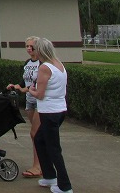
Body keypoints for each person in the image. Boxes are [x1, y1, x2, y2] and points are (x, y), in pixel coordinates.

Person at [28, 38, 73, 193]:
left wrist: (30, 90)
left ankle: (65, 186)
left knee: (53, 148)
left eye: (35, 49)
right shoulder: (59, 64)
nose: (33, 52)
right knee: (39, 140)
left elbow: (39, 95)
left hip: (49, 112)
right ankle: (49, 176)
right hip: (59, 110)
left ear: (40, 51)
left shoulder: (44, 67)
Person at [6, 36, 42, 177]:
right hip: (30, 101)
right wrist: (16, 86)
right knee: (36, 134)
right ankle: (40, 164)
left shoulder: (42, 63)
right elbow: (24, 81)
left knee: (35, 133)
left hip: (39, 100)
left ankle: (38, 166)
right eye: (27, 46)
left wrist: (24, 89)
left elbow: (39, 83)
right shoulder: (28, 63)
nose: (29, 48)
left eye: (31, 46)